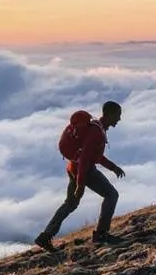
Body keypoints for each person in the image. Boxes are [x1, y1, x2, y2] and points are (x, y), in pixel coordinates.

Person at [35, 100, 126, 251]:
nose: (119, 119)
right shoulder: (96, 132)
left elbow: (92, 155)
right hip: (84, 170)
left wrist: (113, 167)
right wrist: (81, 185)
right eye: (118, 115)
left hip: (73, 167)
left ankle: (45, 236)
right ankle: (101, 234)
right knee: (111, 195)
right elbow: (85, 158)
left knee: (70, 203)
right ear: (109, 115)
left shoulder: (95, 127)